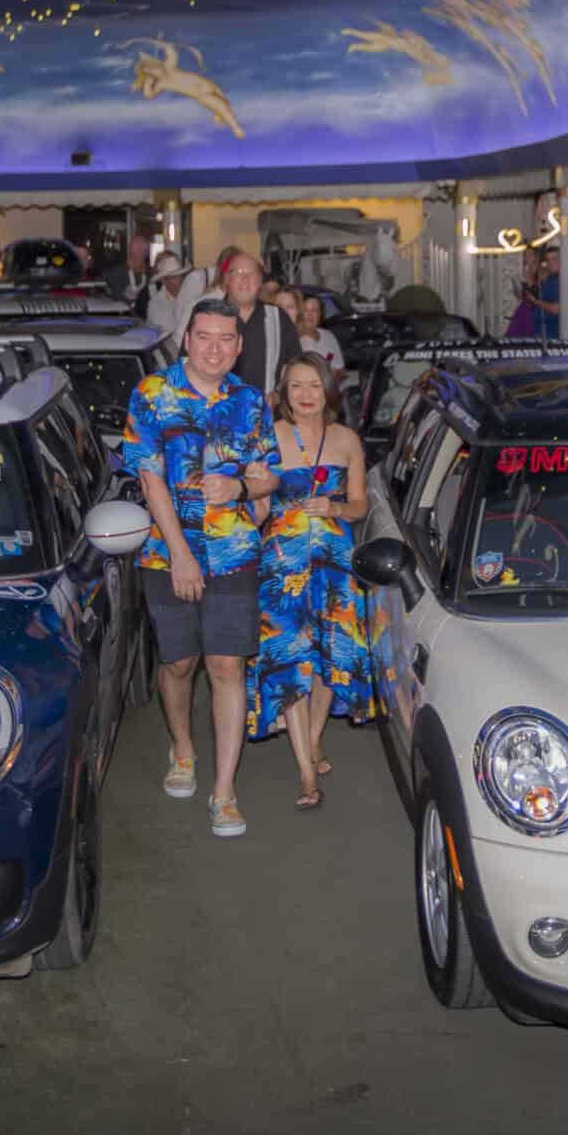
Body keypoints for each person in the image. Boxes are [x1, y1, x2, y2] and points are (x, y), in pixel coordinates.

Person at [121, 299, 277, 837]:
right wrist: (181, 555)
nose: (214, 348)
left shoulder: (250, 401)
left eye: (225, 339)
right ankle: (183, 747)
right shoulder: (152, 394)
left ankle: (224, 791)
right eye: (204, 336)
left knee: (228, 666)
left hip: (234, 551)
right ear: (186, 339)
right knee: (180, 663)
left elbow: (267, 475)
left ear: (239, 346)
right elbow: (150, 479)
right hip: (169, 553)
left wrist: (241, 488)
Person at [248, 355, 374, 807]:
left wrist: (337, 508)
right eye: (296, 386)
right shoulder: (271, 436)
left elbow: (360, 504)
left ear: (328, 390)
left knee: (329, 657)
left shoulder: (347, 440)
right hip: (283, 566)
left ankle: (315, 738)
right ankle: (306, 773)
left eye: (313, 385)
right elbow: (254, 498)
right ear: (284, 393)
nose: (305, 395)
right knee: (291, 661)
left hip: (335, 564)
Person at [217, 250, 301, 396]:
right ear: (226, 279)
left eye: (252, 273)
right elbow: (188, 368)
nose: (245, 278)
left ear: (261, 281)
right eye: (238, 272)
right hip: (217, 407)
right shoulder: (207, 316)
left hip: (265, 408)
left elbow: (294, 366)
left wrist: (277, 394)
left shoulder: (278, 318)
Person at [294, 289, 344, 372]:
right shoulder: (292, 339)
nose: (310, 314)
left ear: (321, 314)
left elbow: (341, 370)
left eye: (314, 310)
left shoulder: (328, 336)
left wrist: (331, 376)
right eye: (306, 310)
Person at [101, 232, 152, 313]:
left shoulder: (151, 274)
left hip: (146, 315)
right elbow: (116, 299)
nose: (134, 256)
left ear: (145, 253)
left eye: (139, 252)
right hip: (123, 315)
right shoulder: (118, 273)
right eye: (132, 252)